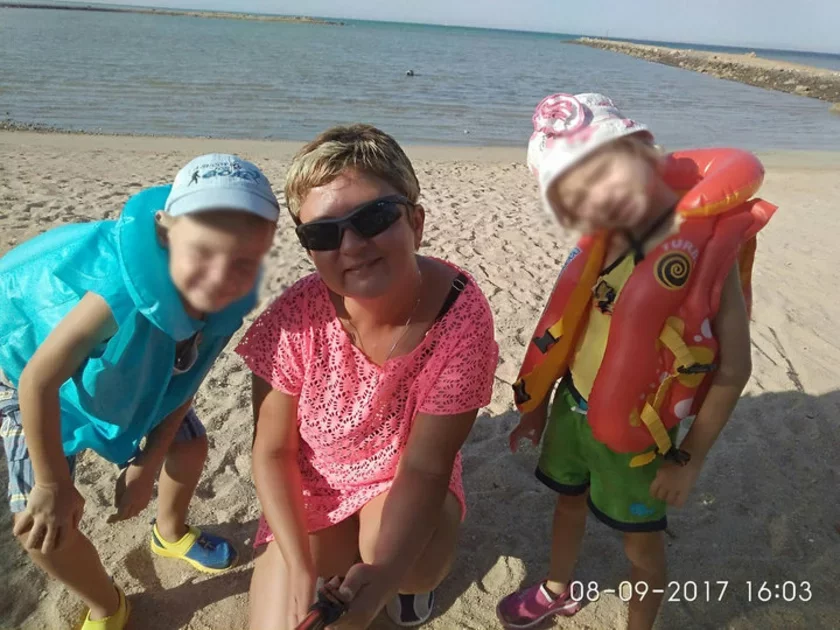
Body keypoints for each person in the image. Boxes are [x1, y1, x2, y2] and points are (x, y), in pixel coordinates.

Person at [497, 93, 770, 630]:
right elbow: (569, 336)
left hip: (642, 436)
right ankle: (557, 589)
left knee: (641, 548)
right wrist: (536, 409)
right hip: (573, 408)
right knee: (568, 503)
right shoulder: (599, 247)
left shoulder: (700, 261)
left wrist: (689, 460)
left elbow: (734, 370)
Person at [235, 124, 499, 629]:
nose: (352, 245)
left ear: (416, 222)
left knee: (407, 566)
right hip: (316, 483)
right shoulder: (293, 319)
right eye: (323, 233)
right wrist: (299, 567)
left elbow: (426, 465)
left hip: (400, 473)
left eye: (374, 217)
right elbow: (271, 450)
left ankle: (405, 585)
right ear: (309, 249)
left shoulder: (460, 313)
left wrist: (384, 579)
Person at [0, 153, 279, 630]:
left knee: (189, 444)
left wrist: (147, 463)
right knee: (40, 526)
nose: (218, 277)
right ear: (164, 230)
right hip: (37, 381)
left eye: (241, 261)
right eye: (202, 251)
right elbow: (38, 380)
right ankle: (108, 605)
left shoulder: (226, 302)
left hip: (135, 373)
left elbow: (188, 382)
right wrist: (52, 485)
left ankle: (169, 532)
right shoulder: (116, 294)